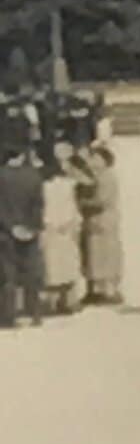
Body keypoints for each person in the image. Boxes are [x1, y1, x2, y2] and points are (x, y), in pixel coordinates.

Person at [0, 141, 44, 329]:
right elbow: (39, 205)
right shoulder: (33, 176)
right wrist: (31, 226)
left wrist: (11, 227)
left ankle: (9, 316)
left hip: (5, 232)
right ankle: (34, 313)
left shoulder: (1, 176)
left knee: (8, 275)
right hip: (30, 232)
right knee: (31, 273)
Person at [75, 144, 123, 305]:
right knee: (93, 256)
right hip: (94, 222)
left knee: (104, 256)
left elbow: (102, 201)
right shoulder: (94, 176)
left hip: (102, 220)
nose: (92, 161)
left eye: (95, 158)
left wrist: (81, 203)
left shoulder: (106, 177)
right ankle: (95, 289)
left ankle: (107, 291)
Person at [40, 145, 84, 315]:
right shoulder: (68, 185)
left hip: (50, 228)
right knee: (69, 264)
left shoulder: (44, 187)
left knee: (52, 267)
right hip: (66, 227)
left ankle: (52, 302)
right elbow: (73, 207)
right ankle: (70, 300)